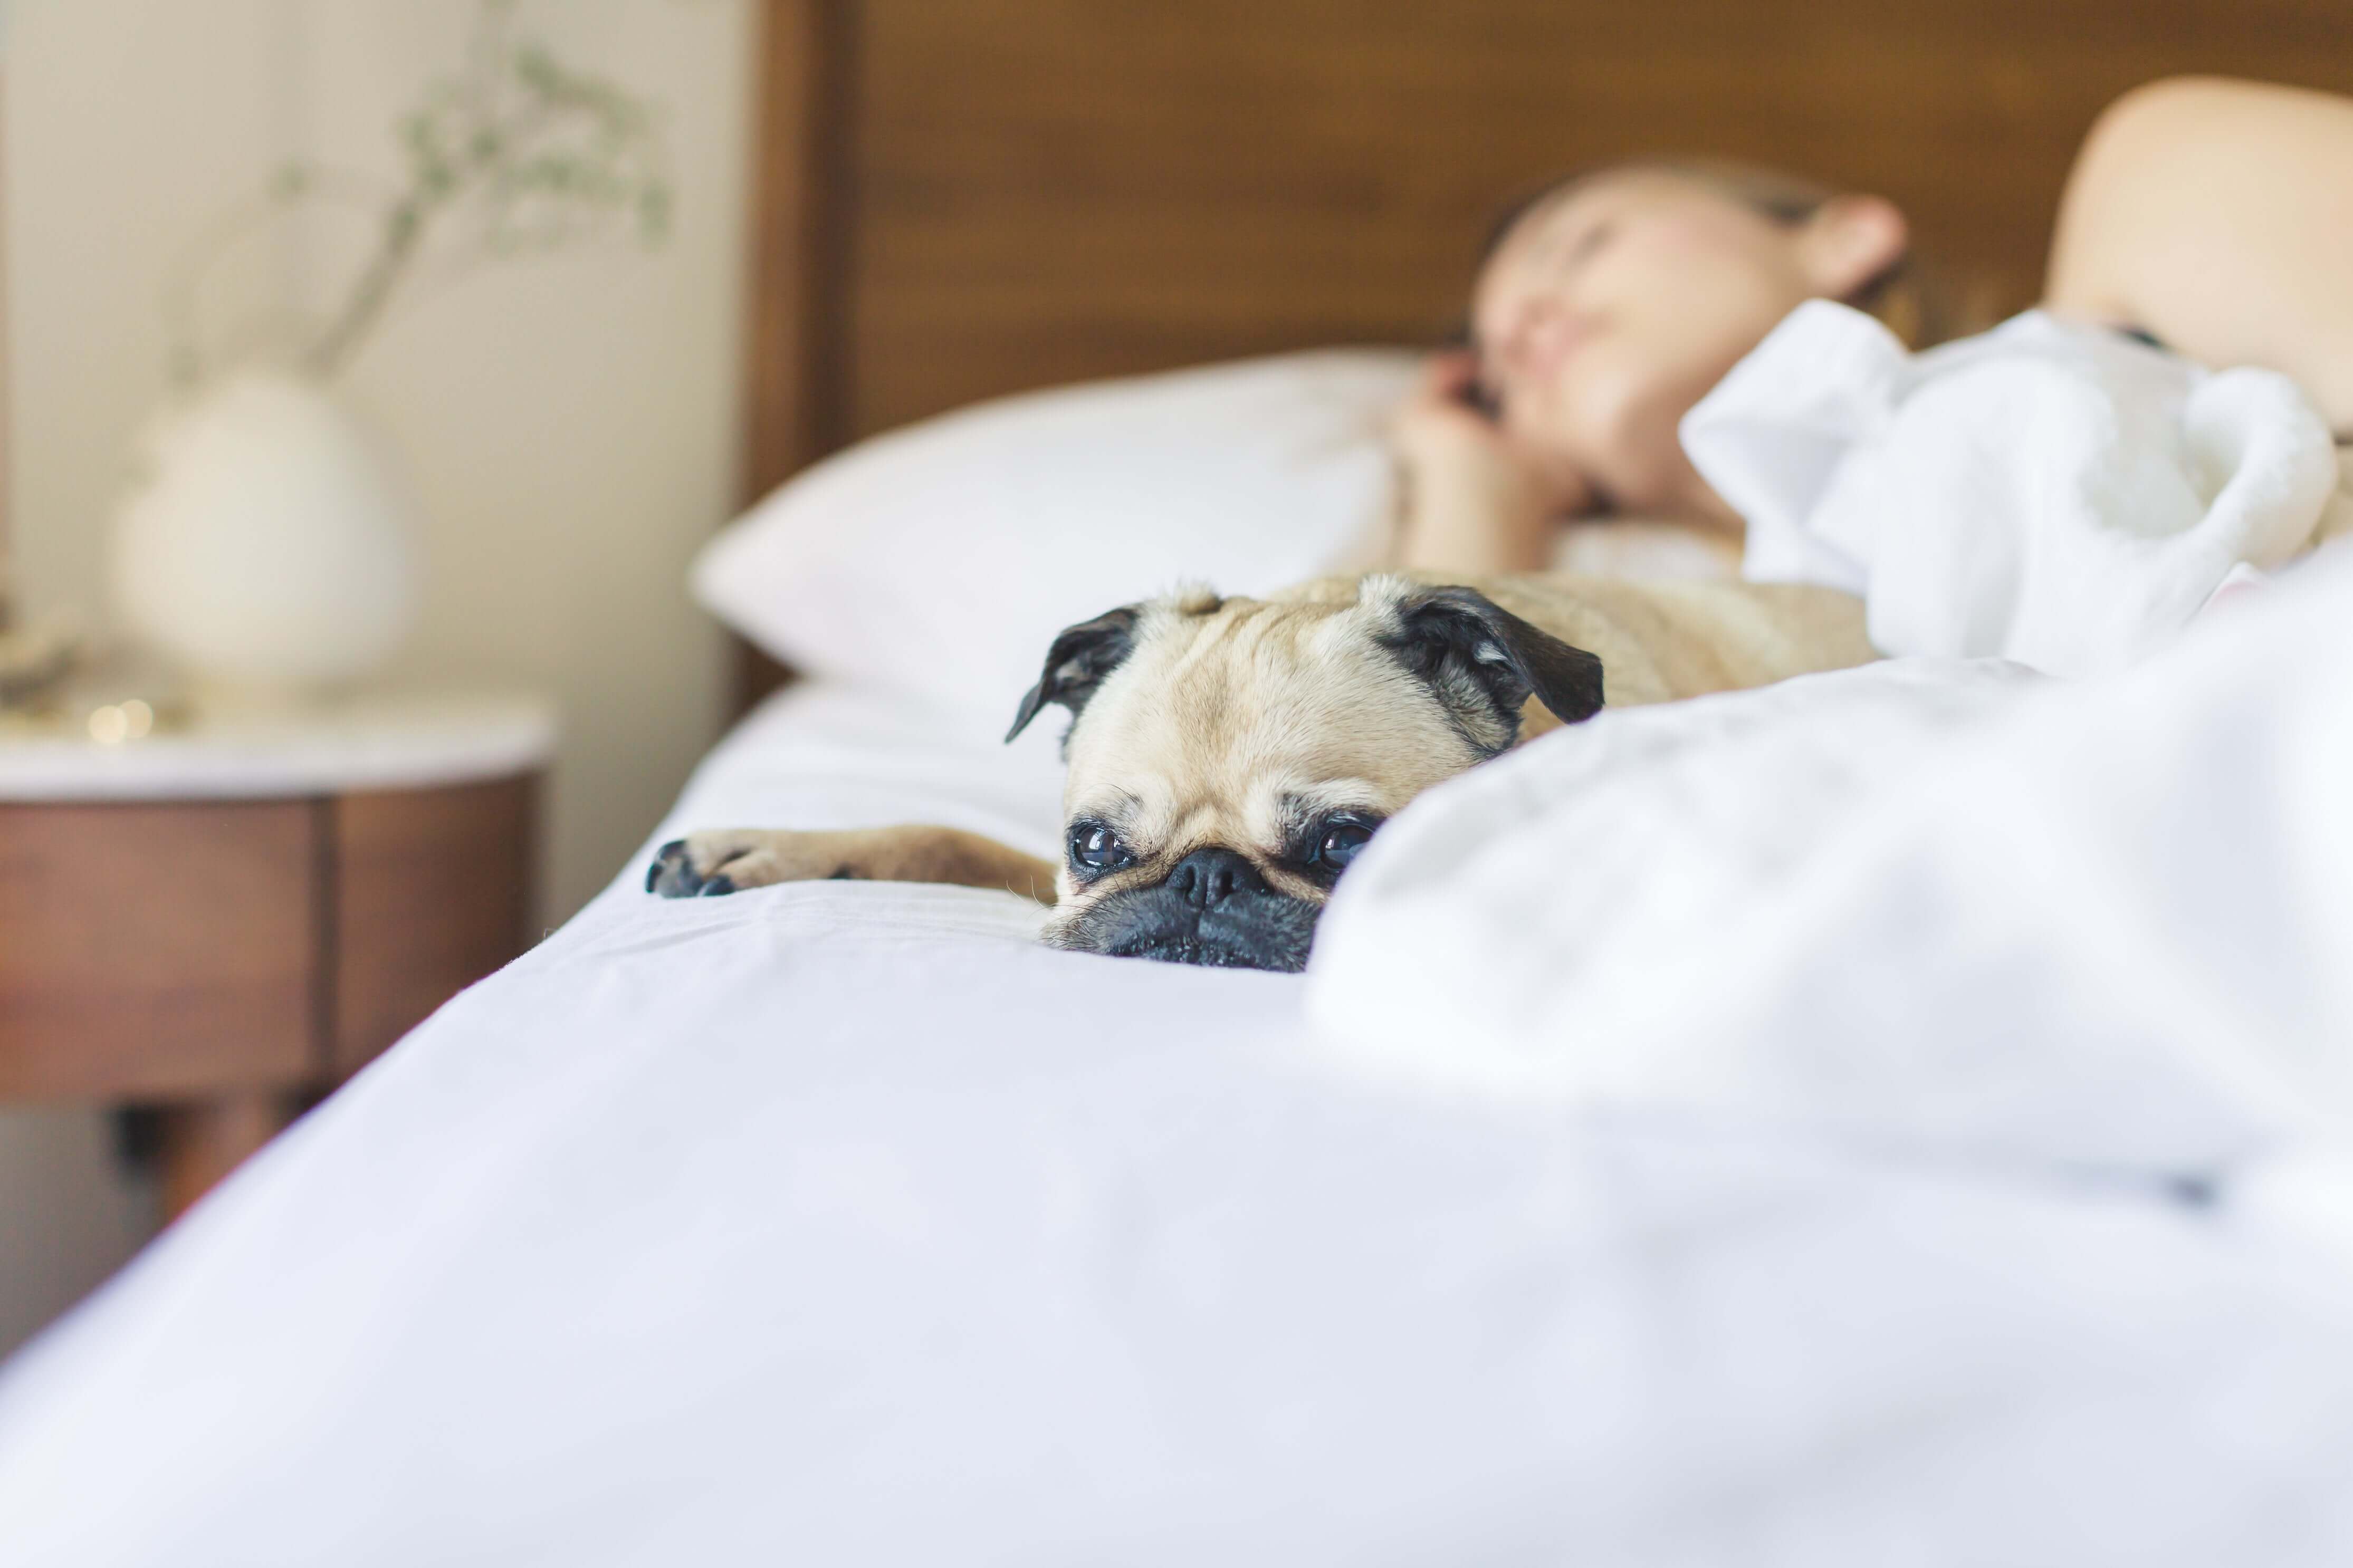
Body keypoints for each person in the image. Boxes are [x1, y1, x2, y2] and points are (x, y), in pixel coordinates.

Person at [1391, 76, 2353, 577]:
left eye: (1579, 246)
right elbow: (1394, 780)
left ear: (1845, 237)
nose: (1519, 323)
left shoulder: (2148, 205)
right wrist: (1470, 483)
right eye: (1498, 378)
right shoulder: (1724, 679)